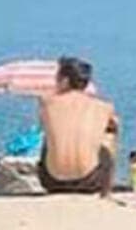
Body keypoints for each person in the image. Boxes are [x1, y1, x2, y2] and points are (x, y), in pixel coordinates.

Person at [38, 57, 118, 197]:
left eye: (57, 77)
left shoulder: (46, 103)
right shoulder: (104, 107)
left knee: (49, 139)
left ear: (65, 80)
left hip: (51, 181)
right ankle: (106, 192)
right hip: (90, 181)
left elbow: (45, 125)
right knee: (109, 137)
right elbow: (114, 129)